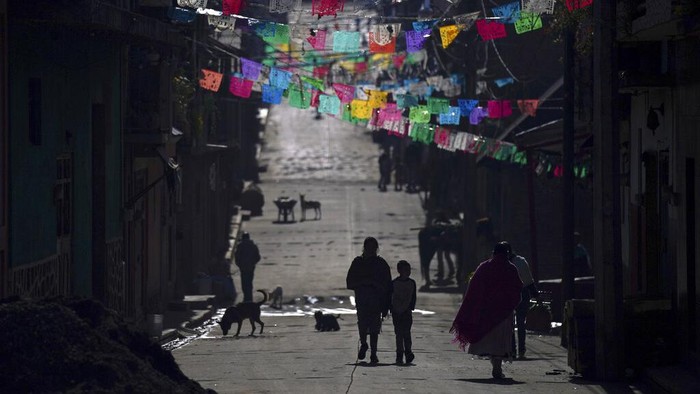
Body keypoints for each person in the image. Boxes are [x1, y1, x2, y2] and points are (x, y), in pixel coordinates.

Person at [450, 241, 522, 379]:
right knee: (500, 342)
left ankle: (495, 366)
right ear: (507, 254)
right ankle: (497, 367)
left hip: (486, 312)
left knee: (490, 340)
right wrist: (511, 305)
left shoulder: (484, 267)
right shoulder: (511, 268)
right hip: (504, 313)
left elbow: (473, 290)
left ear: (493, 253)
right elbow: (517, 289)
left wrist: (474, 308)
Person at [346, 237, 392, 364]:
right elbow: (350, 282)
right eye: (369, 248)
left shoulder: (381, 264)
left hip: (376, 301)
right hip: (362, 299)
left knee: (374, 329)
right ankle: (364, 344)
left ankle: (373, 353)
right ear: (364, 248)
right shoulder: (358, 262)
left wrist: (386, 304)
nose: (371, 250)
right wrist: (364, 283)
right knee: (363, 324)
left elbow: (388, 285)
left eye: (373, 248)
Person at [506, 245, 539, 359]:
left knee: (511, 323)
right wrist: (535, 295)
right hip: (522, 294)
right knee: (520, 323)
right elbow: (529, 281)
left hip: (511, 295)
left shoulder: (506, 263)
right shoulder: (521, 261)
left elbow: (528, 281)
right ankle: (520, 350)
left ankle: (514, 350)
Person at [391, 260, 417, 365]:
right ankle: (400, 354)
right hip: (397, 312)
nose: (408, 272)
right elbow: (392, 298)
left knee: (406, 333)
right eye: (405, 270)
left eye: (408, 270)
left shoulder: (411, 283)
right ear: (399, 270)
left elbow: (413, 297)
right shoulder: (394, 283)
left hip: (406, 312)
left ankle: (408, 352)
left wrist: (410, 307)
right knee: (399, 334)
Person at [235, 232, 261, 302]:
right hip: (251, 267)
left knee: (244, 282)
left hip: (243, 268)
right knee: (249, 282)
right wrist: (253, 263)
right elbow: (258, 257)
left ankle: (246, 297)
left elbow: (237, 257)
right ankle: (249, 297)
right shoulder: (253, 246)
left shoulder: (240, 246)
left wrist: (239, 264)